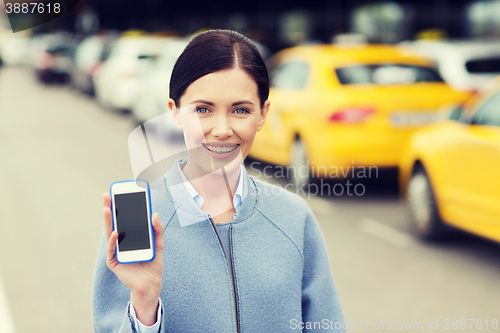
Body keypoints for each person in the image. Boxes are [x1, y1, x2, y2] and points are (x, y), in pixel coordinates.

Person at [92, 29, 346, 333]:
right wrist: (144, 306)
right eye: (203, 110)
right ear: (174, 112)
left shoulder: (293, 217)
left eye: (240, 110)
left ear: (263, 114)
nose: (222, 129)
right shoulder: (139, 222)